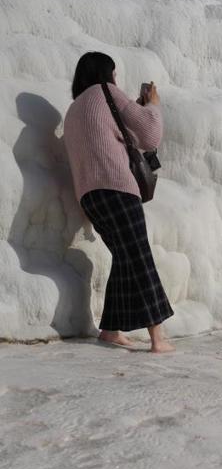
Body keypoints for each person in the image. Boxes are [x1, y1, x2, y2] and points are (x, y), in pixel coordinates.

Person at [63, 51, 174, 353]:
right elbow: (149, 135)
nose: (115, 79)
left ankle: (111, 330)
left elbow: (104, 135)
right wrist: (151, 103)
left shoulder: (73, 110)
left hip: (90, 195)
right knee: (140, 255)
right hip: (117, 188)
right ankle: (158, 337)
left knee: (125, 255)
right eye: (113, 73)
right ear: (106, 74)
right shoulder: (106, 92)